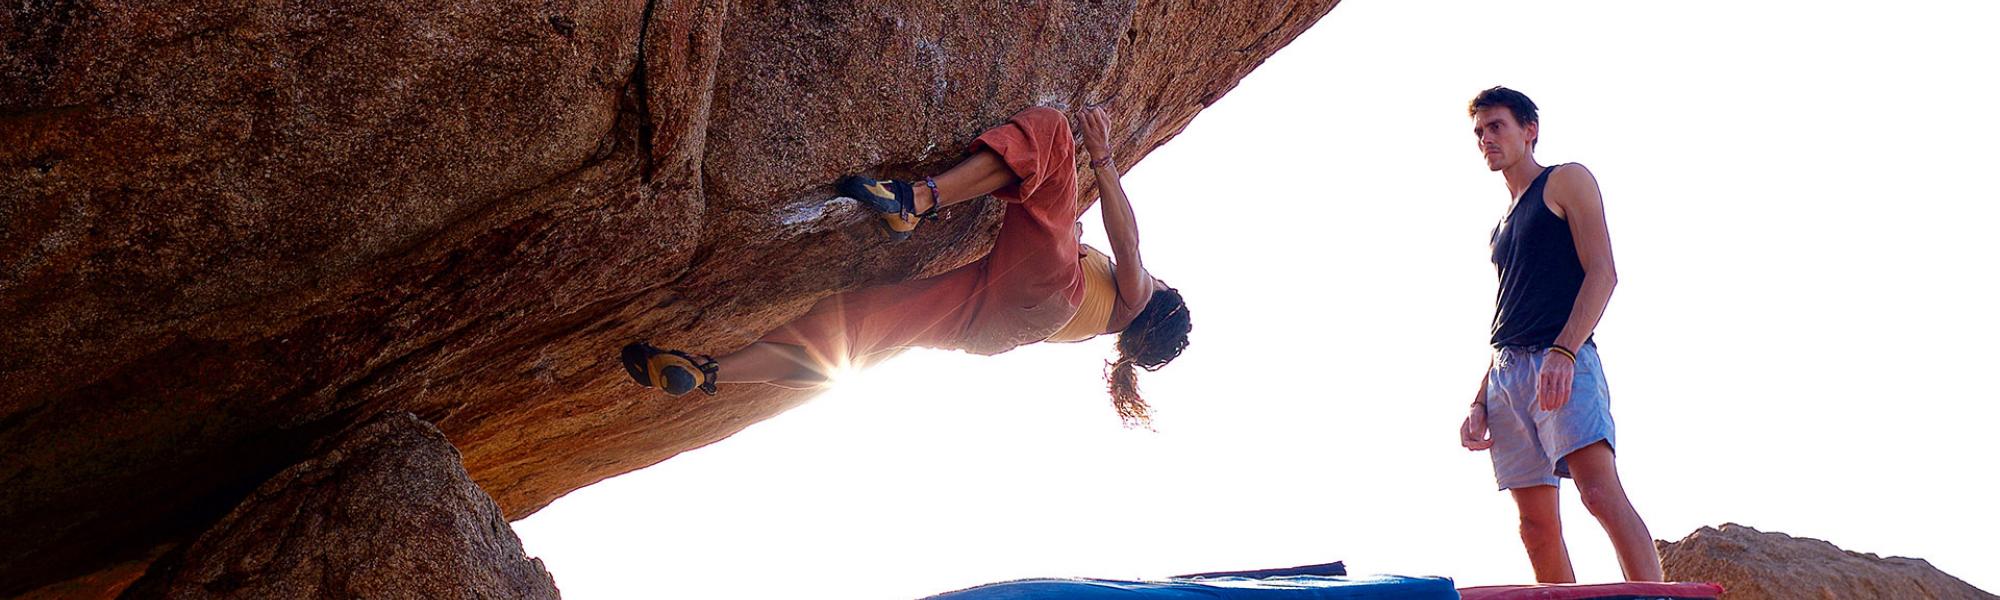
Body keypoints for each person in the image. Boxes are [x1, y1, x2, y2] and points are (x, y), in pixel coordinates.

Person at [621, 106, 1191, 427]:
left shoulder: (1135, 297)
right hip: (995, 328)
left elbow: (1129, 245)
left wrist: (1104, 157)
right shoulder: (1097, 321)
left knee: (1054, 138)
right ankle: (710, 371)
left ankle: (915, 200)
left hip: (1041, 291)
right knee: (858, 330)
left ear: (1156, 303)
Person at [1456, 87, 1664, 582]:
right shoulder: (1500, 226)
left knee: (1598, 494)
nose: (1486, 138)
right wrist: (1479, 399)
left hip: (1561, 360)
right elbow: (1509, 313)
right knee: (1534, 526)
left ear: (1530, 130)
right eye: (1479, 131)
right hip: (1508, 373)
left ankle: (1657, 597)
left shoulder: (1565, 181)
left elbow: (1603, 272)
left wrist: (1564, 350)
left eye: (1497, 126)